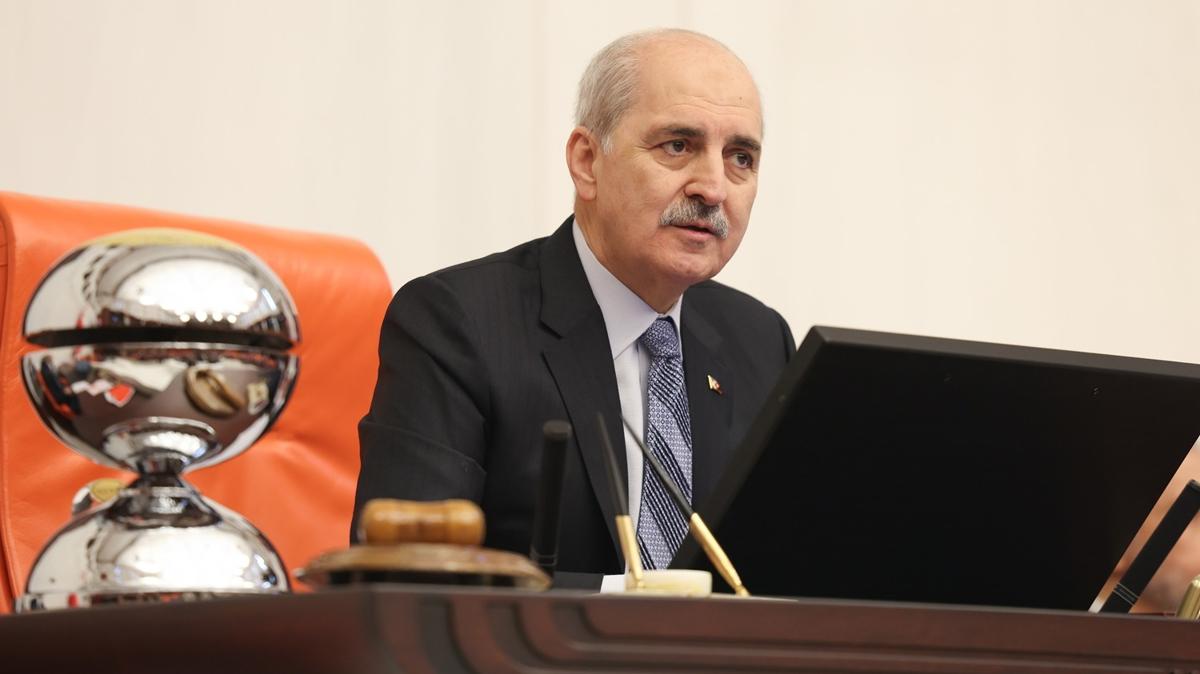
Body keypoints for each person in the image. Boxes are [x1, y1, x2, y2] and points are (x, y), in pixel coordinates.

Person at [354, 28, 794, 586]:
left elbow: (793, 573)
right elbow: (406, 578)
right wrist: (636, 604)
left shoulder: (760, 340)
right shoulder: (457, 324)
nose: (713, 187)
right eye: (678, 146)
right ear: (587, 162)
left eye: (740, 158)